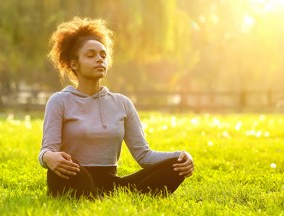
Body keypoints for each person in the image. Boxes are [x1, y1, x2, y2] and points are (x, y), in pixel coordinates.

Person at [39, 17, 194, 199]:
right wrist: (49, 158)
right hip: (72, 176)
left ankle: (98, 197)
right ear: (74, 64)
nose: (99, 59)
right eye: (91, 55)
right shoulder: (59, 101)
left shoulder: (122, 103)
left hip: (111, 184)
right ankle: (91, 196)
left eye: (103, 55)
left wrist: (182, 156)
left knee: (176, 164)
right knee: (74, 172)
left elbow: (144, 155)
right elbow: (47, 150)